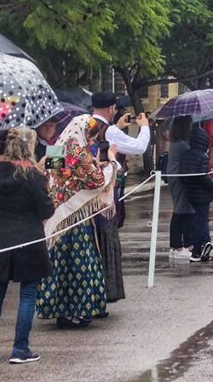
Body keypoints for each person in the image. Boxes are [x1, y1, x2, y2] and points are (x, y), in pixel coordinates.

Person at [0, 127, 55, 365]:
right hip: (29, 238)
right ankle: (20, 349)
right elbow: (46, 210)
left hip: (2, 237)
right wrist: (44, 177)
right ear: (28, 147)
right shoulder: (32, 175)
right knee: (28, 293)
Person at [36, 115, 118, 329]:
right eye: (89, 137)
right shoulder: (80, 153)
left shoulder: (58, 148)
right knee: (80, 261)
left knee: (59, 263)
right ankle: (79, 309)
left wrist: (91, 165)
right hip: (75, 219)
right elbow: (98, 180)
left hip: (58, 216)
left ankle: (60, 309)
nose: (90, 142)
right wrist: (112, 162)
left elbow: (57, 171)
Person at [90, 92, 150, 306]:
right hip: (103, 200)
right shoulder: (108, 133)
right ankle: (101, 296)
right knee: (104, 243)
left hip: (83, 202)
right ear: (111, 109)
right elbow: (139, 148)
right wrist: (144, 127)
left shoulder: (95, 128)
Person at [181, 128, 213, 260]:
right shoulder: (202, 156)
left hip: (190, 193)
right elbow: (203, 177)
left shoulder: (185, 154)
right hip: (203, 195)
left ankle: (201, 245)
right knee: (201, 220)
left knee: (195, 220)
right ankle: (202, 245)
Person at [165, 116, 194, 259]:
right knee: (181, 211)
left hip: (176, 177)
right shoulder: (182, 144)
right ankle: (177, 245)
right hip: (180, 179)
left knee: (180, 210)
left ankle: (177, 245)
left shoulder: (176, 142)